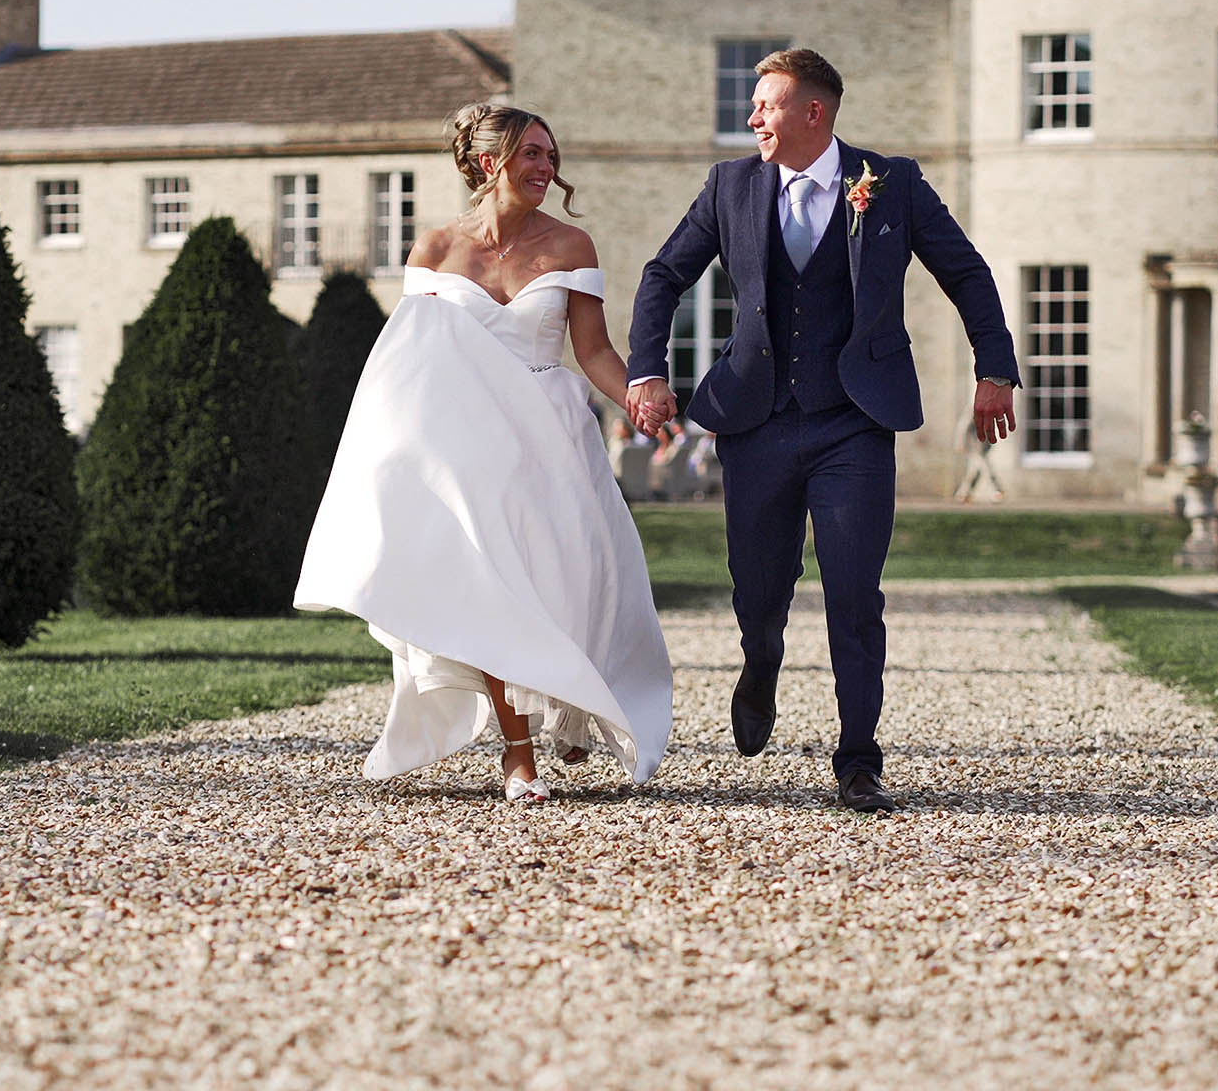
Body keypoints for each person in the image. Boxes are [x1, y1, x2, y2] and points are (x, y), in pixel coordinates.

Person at [625, 48, 1018, 813]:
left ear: (815, 112)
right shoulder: (730, 185)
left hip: (854, 424)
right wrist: (647, 372)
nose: (752, 119)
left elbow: (966, 272)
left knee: (853, 594)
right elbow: (664, 275)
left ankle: (859, 759)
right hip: (757, 421)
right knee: (760, 593)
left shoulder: (889, 183)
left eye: (765, 105)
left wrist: (994, 368)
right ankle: (760, 658)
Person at [297, 103, 672, 803]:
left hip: (548, 438)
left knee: (569, 581)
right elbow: (407, 365)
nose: (546, 167)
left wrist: (640, 400)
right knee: (497, 586)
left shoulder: (571, 246)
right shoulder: (434, 251)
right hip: (468, 450)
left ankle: (570, 698)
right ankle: (517, 754)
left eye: (551, 156)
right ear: (488, 161)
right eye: (532, 153)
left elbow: (592, 351)